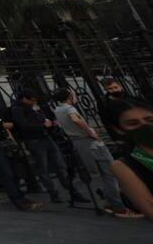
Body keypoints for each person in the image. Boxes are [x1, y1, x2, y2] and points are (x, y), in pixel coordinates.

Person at [51, 87, 141, 218]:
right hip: (89, 141)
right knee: (110, 172)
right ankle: (118, 207)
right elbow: (77, 120)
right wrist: (91, 132)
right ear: (69, 97)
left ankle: (111, 200)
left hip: (77, 142)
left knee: (103, 173)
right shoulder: (70, 109)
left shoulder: (57, 110)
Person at [11, 89, 85, 203]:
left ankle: (72, 191)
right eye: (32, 100)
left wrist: (48, 123)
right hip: (34, 140)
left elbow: (41, 117)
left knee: (60, 165)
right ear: (24, 99)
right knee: (43, 168)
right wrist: (42, 125)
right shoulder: (17, 109)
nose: (34, 103)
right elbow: (23, 125)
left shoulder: (33, 107)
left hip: (46, 137)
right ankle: (53, 193)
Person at [109, 100, 153, 222]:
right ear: (119, 129)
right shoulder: (124, 166)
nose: (144, 125)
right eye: (133, 123)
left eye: (149, 120)